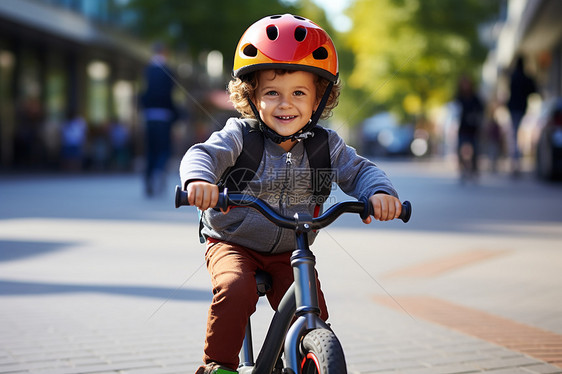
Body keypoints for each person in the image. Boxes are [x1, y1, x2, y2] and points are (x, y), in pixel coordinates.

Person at [179, 14, 403, 374]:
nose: (286, 104)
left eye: (299, 93)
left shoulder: (324, 146)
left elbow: (361, 170)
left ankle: (302, 356)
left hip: (291, 248)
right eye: (272, 93)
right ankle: (218, 365)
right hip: (232, 240)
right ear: (251, 96)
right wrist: (200, 183)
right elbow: (202, 154)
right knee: (235, 289)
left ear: (319, 99)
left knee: (312, 306)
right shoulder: (240, 136)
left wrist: (378, 192)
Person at [140, 42, 178, 196]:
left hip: (149, 115)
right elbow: (170, 94)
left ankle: (149, 176)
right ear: (165, 52)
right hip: (164, 115)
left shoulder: (147, 70)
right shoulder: (167, 70)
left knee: (150, 149)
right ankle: (159, 171)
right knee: (163, 148)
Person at [507, 56, 537, 176]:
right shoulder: (523, 77)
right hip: (521, 109)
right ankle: (516, 162)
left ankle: (515, 162)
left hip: (515, 109)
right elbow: (533, 90)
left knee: (515, 135)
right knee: (517, 136)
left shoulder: (514, 77)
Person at [455, 75, 483, 182]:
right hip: (462, 127)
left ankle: (474, 169)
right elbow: (455, 110)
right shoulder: (459, 97)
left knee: (475, 148)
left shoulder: (475, 97)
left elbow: (481, 110)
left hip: (473, 128)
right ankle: (463, 169)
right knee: (461, 148)